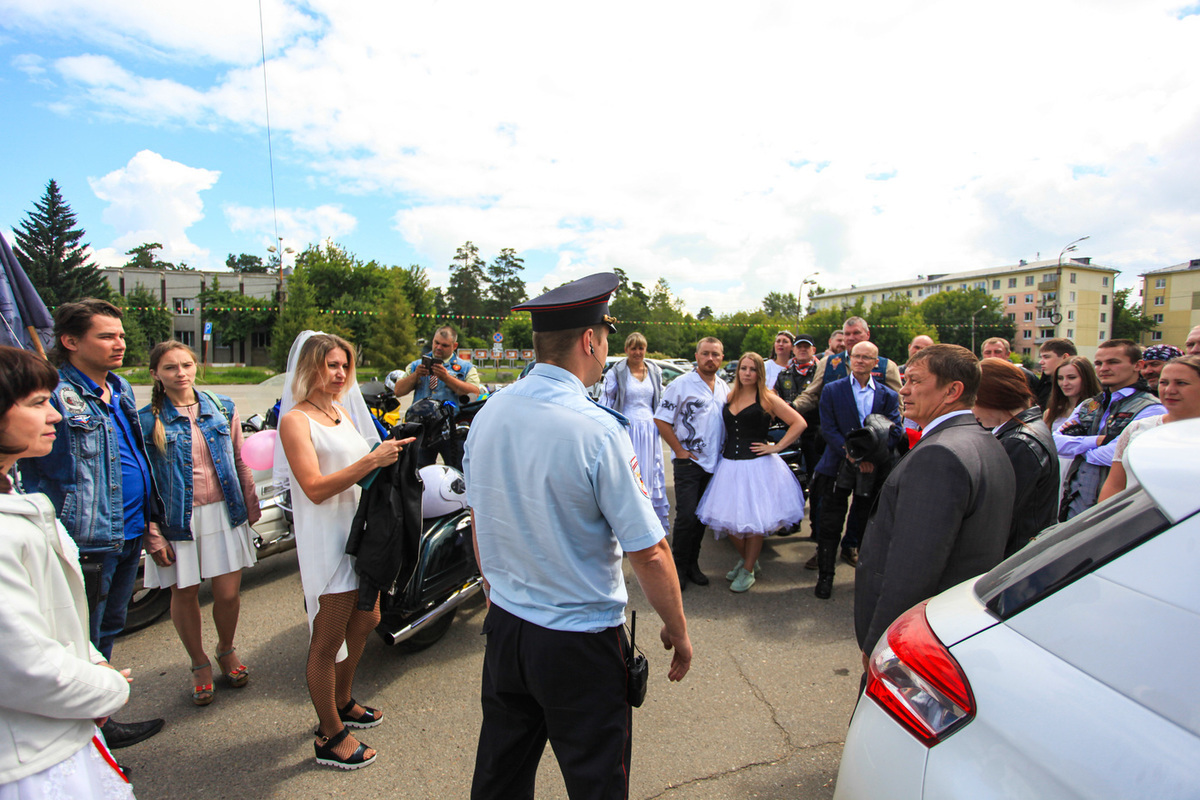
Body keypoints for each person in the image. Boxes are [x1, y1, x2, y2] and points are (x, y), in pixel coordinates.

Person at [465, 273, 691, 800]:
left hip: (507, 630)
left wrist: (497, 591)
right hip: (578, 641)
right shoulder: (597, 430)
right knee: (597, 785)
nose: (607, 348)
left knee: (499, 778)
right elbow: (651, 551)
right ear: (590, 340)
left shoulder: (490, 411)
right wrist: (677, 629)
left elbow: (480, 517)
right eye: (606, 336)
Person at [17, 299, 164, 750]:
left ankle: (100, 722)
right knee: (78, 637)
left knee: (107, 629)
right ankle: (83, 737)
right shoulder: (57, 397)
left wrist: (152, 522)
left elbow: (137, 455)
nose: (118, 343)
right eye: (106, 336)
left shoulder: (118, 386)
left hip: (129, 530)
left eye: (120, 335)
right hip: (88, 537)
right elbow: (43, 466)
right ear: (70, 341)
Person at [0, 346, 135, 798]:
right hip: (30, 758)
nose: (54, 416)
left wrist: (91, 660)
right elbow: (21, 662)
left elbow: (54, 618)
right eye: (38, 403)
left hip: (60, 731)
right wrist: (106, 688)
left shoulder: (14, 494)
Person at [277, 332, 413, 770]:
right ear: (308, 367)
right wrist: (370, 462)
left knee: (369, 617)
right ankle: (329, 733)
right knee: (326, 640)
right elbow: (314, 488)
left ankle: (343, 698)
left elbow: (362, 466)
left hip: (359, 537)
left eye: (343, 366)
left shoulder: (338, 411)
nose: (339, 375)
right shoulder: (296, 420)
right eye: (330, 365)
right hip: (328, 539)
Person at [855, 344, 1015, 665]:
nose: (904, 390)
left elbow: (912, 570)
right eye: (905, 379)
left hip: (918, 639)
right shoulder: (985, 441)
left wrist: (881, 645)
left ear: (953, 390)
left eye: (915, 381)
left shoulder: (938, 455)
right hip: (954, 625)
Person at [137, 341, 262, 706]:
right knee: (185, 593)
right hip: (179, 518)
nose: (181, 373)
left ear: (196, 367)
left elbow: (240, 459)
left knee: (227, 594)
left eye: (187, 365)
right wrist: (152, 531)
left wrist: (251, 502)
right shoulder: (147, 420)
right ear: (155, 375)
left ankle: (225, 649)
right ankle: (199, 662)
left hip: (225, 512)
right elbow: (144, 481)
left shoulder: (222, 407)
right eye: (171, 367)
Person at [793, 316, 901, 567]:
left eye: (856, 333)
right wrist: (789, 407)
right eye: (847, 334)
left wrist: (883, 443)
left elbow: (899, 407)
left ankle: (850, 545)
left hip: (873, 453)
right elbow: (813, 394)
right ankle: (823, 547)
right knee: (825, 503)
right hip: (834, 446)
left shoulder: (887, 367)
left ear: (867, 334)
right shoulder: (830, 363)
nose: (851, 338)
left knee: (864, 503)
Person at [695, 352, 806, 593]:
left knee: (754, 522)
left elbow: (799, 423)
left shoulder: (768, 398)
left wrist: (776, 446)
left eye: (752, 369)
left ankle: (747, 569)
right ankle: (750, 561)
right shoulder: (730, 396)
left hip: (758, 467)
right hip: (730, 466)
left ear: (759, 373)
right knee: (731, 524)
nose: (747, 373)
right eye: (743, 368)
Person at [810, 341, 902, 599]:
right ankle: (825, 577)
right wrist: (850, 454)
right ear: (849, 359)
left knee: (864, 522)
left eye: (866, 357)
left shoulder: (888, 395)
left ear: (876, 362)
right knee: (829, 522)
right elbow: (827, 428)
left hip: (873, 467)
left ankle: (861, 576)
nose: (860, 361)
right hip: (837, 463)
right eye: (856, 356)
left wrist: (870, 456)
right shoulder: (832, 390)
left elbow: (894, 431)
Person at [1054, 340, 1164, 521]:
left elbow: (1118, 454)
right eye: (1098, 363)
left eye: (1113, 362)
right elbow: (1056, 443)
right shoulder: (1090, 404)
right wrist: (1098, 441)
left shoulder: (1152, 408)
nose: (1103, 368)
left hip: (1117, 508)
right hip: (1076, 501)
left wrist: (1080, 449)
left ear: (1138, 365)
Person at [654, 337, 729, 589]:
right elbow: (662, 419)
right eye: (705, 354)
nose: (710, 359)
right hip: (689, 462)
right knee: (686, 516)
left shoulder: (723, 387)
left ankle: (693, 564)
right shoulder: (680, 385)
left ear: (722, 358)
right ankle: (677, 569)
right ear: (696, 356)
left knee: (701, 518)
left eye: (715, 354)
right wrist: (679, 450)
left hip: (714, 463)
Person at [973, 359, 1059, 557]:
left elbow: (1000, 514)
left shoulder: (1019, 443)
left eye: (974, 400)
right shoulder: (1025, 430)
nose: (971, 410)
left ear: (991, 397)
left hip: (1016, 553)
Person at [1098, 355, 1200, 500]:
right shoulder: (1138, 427)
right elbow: (1115, 485)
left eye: (1181, 383)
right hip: (1135, 518)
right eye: (1164, 382)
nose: (1170, 390)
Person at [601, 331, 669, 533]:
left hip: (650, 429)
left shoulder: (654, 370)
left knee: (650, 473)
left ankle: (650, 525)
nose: (637, 352)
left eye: (641, 348)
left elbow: (661, 400)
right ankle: (629, 526)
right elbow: (607, 401)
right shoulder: (617, 372)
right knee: (630, 475)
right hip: (628, 428)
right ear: (626, 350)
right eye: (633, 348)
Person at [390, 324, 483, 469]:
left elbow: (474, 394)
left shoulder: (465, 368)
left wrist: (447, 378)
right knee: (418, 474)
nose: (438, 348)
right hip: (421, 431)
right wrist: (415, 376)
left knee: (457, 471)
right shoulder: (416, 365)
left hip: (451, 430)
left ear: (454, 346)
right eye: (436, 343)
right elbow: (398, 391)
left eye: (444, 345)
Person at [1042, 356, 1101, 501]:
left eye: (1072, 377)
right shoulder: (1051, 412)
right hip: (1055, 471)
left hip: (1082, 471)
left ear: (1086, 378)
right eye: (1060, 378)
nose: (1065, 383)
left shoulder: (1098, 410)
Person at [1035, 338, 1077, 408]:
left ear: (1065, 357)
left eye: (1046, 357)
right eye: (1041, 357)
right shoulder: (1045, 382)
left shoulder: (1083, 384)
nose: (1041, 362)